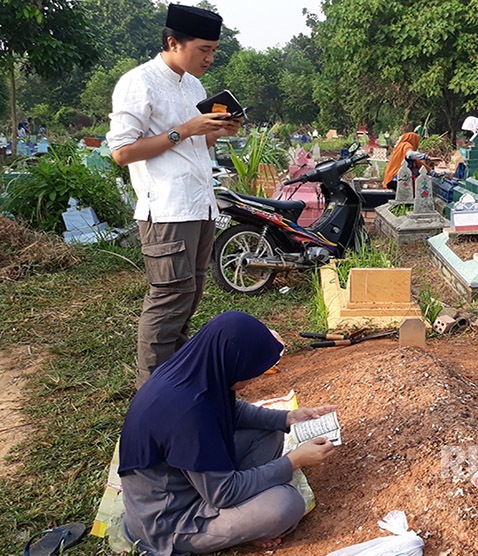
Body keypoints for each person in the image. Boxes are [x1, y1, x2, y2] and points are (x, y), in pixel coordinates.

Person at [118, 311, 337, 554]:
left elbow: (231, 411)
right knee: (286, 504)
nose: (255, 378)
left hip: (189, 482)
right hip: (171, 520)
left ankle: (243, 520)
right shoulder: (189, 414)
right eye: (252, 371)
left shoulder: (194, 371)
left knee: (269, 431)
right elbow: (224, 492)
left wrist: (286, 418)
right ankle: (238, 531)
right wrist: (293, 461)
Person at [107, 4, 242, 387]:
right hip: (166, 210)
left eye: (214, 50)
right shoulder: (139, 82)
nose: (210, 58)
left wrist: (218, 130)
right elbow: (121, 152)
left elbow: (194, 143)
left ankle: (176, 386)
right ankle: (151, 398)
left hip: (199, 204)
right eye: (203, 49)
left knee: (189, 299)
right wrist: (185, 128)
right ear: (172, 42)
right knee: (167, 304)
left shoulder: (193, 86)